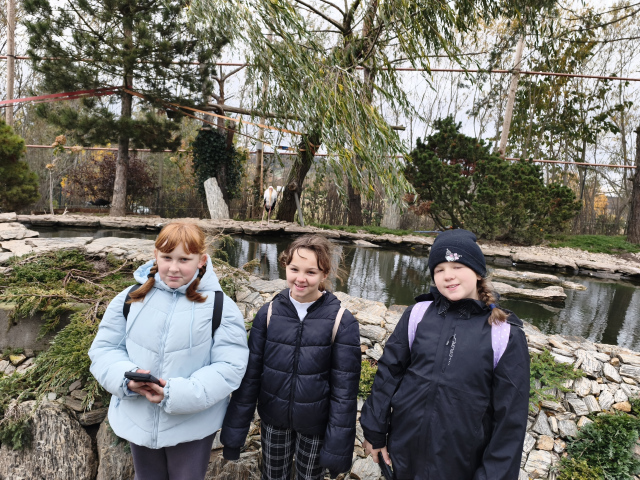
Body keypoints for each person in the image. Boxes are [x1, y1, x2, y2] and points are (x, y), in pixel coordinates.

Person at [360, 229, 530, 480]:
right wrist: (374, 433)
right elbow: (388, 375)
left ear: (478, 271)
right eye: (439, 269)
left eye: (458, 266)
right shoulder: (417, 315)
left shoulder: (504, 334)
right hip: (404, 453)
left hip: (460, 464)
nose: (448, 276)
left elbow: (510, 421)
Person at [89, 222, 249, 480]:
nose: (174, 268)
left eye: (184, 259)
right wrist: (127, 379)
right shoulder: (131, 298)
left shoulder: (220, 306)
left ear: (201, 260)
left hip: (192, 424)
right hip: (138, 419)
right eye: (167, 258)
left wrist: (176, 393)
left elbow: (230, 366)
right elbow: (105, 349)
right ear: (156, 256)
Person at [221, 234, 361, 479]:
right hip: (273, 420)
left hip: (316, 425)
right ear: (285, 266)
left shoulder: (341, 321)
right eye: (294, 269)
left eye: (311, 272)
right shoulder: (269, 313)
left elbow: (344, 391)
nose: (300, 278)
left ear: (324, 274)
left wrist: (337, 449)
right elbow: (250, 377)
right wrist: (234, 435)